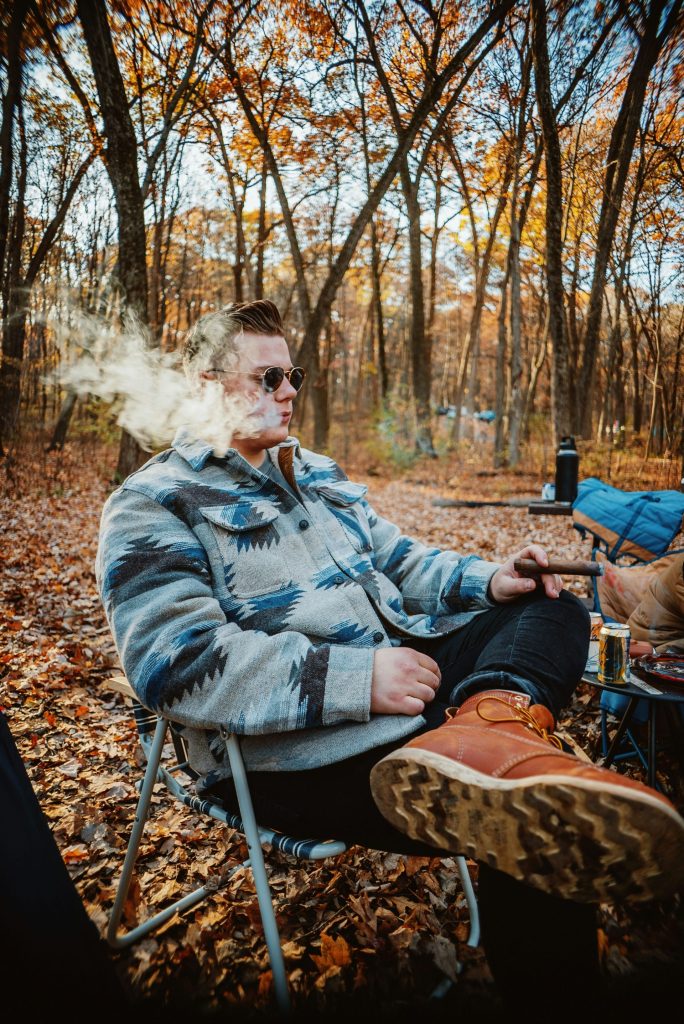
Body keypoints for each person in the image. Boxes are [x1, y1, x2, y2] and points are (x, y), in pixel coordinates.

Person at [96, 298, 684, 1015]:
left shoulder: (313, 470)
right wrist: (357, 679)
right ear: (203, 383)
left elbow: (404, 561)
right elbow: (175, 665)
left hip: (410, 674)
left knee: (551, 603)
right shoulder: (153, 502)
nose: (289, 392)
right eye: (269, 376)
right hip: (291, 747)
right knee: (529, 832)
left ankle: (488, 727)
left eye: (295, 375)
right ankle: (494, 759)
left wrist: (490, 579)